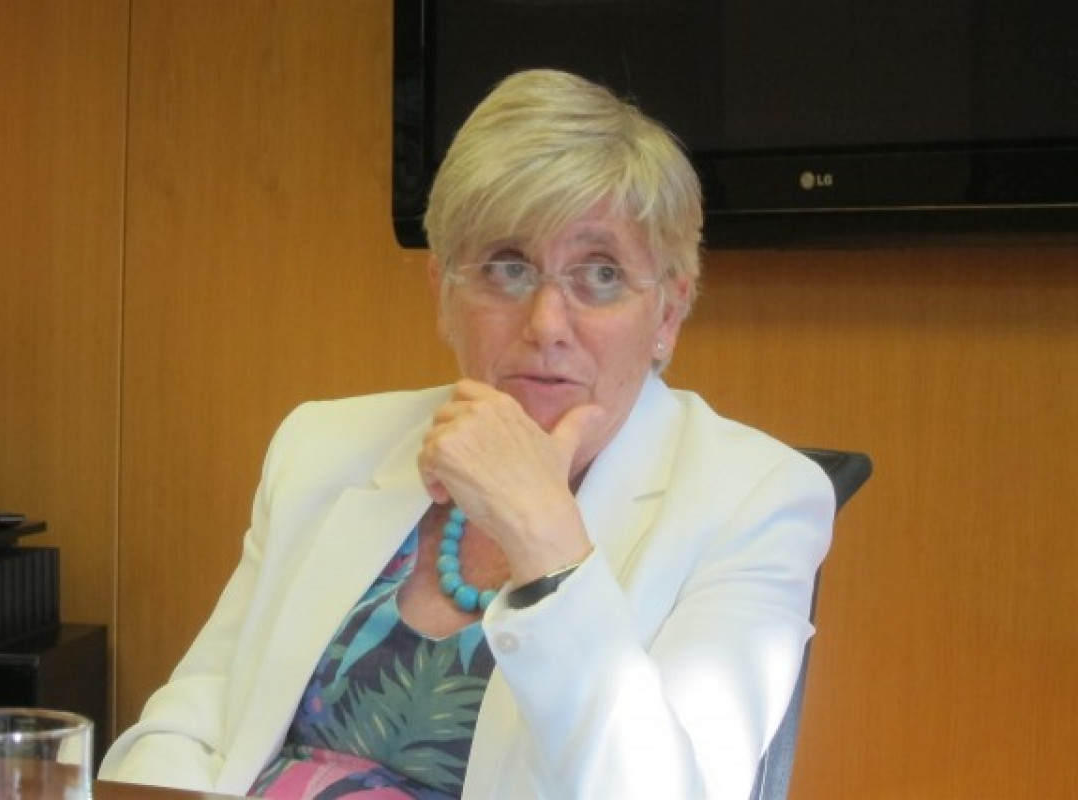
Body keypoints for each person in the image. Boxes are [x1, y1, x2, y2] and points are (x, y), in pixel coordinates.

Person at [98, 68, 834, 799]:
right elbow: (190, 730)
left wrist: (542, 534)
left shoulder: (756, 501)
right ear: (443, 295)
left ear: (668, 313)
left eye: (602, 274)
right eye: (508, 267)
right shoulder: (321, 445)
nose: (546, 323)